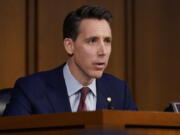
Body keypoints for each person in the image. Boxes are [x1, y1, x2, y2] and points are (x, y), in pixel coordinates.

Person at [4, 5, 137, 116]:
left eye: (107, 41)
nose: (103, 51)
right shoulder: (30, 89)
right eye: (92, 41)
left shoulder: (119, 91)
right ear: (69, 46)